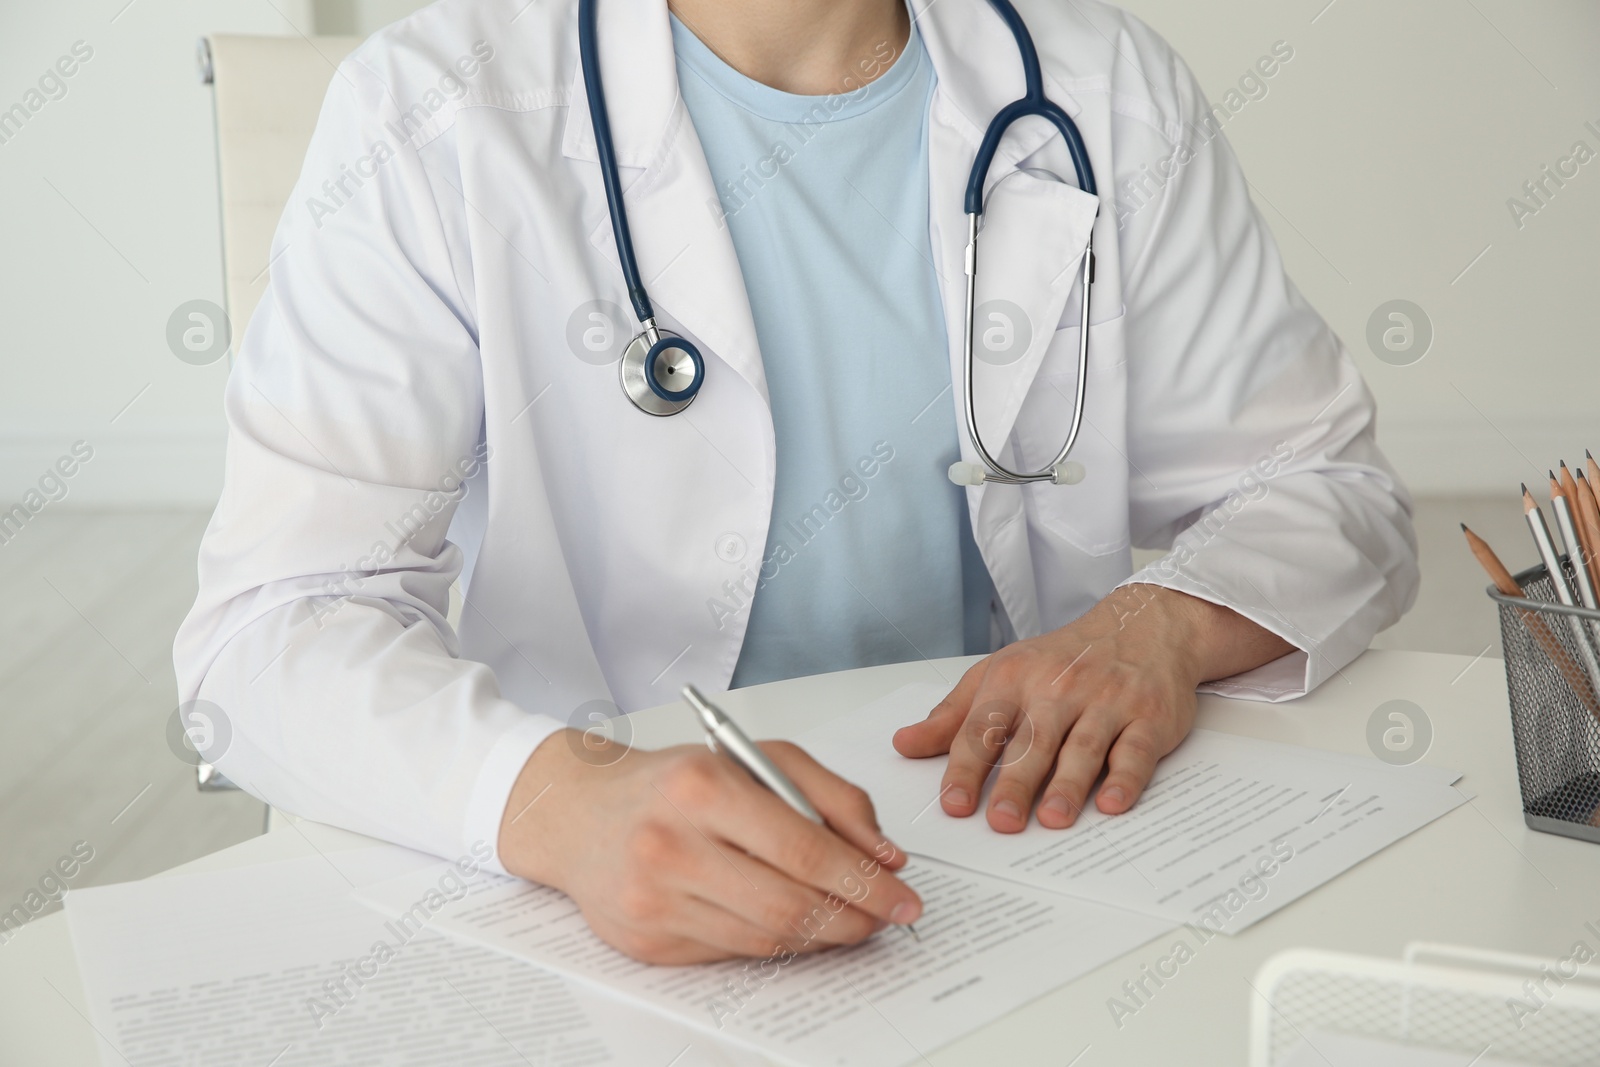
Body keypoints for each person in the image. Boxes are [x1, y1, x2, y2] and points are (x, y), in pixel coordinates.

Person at [174, 0, 1418, 964]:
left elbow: (1320, 483)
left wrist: (1162, 621)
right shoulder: (430, 110)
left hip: (997, 851)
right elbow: (268, 627)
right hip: (597, 889)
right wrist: (558, 802)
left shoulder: (1100, 89)